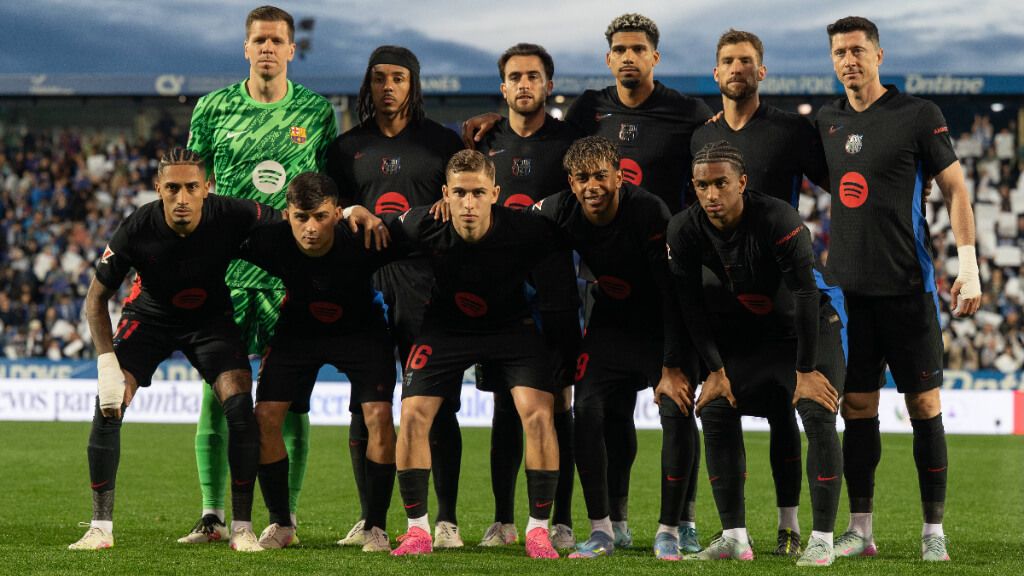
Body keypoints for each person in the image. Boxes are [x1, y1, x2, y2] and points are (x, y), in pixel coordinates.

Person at [815, 16, 981, 562]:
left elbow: (955, 188)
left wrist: (968, 265)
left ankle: (933, 532)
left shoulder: (916, 115)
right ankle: (860, 530)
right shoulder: (827, 122)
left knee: (924, 405)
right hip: (849, 295)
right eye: (839, 52)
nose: (849, 60)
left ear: (879, 55)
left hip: (908, 289)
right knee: (857, 407)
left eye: (858, 50)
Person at [182, 4, 338, 545]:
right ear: (245, 48)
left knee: (292, 400)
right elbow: (191, 190)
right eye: (259, 40)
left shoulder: (317, 112)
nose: (268, 48)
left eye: (277, 40)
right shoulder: (213, 108)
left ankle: (284, 517)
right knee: (215, 395)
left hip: (289, 281)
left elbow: (326, 197)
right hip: (225, 275)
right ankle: (210, 514)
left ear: (292, 49)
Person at [69, 148, 277, 552]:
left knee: (238, 407)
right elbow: (96, 299)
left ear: (207, 188)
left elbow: (290, 222)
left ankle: (242, 527)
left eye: (191, 188)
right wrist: (106, 360)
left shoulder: (231, 213)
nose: (182, 198)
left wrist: (345, 213)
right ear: (158, 189)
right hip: (150, 317)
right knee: (109, 402)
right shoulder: (136, 227)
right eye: (172, 188)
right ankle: (100, 527)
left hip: (210, 320)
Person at [668, 141, 847, 566]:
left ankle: (821, 539)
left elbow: (805, 293)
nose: (711, 195)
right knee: (714, 406)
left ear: (742, 183)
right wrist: (715, 369)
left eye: (720, 184)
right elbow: (688, 305)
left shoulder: (778, 218)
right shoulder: (684, 229)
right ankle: (734, 537)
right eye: (701, 186)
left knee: (816, 408)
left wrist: (805, 371)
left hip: (809, 329)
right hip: (755, 335)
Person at [385, 150, 567, 559]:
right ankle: (417, 531)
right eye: (461, 193)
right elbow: (372, 241)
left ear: (496, 194)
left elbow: (574, 236)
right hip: (446, 327)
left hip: (511, 328)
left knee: (538, 413)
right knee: (412, 413)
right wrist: (354, 214)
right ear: (445, 194)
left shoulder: (526, 229)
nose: (469, 203)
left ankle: (538, 531)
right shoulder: (421, 224)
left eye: (479, 193)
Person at [690, 29, 830, 557]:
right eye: (727, 60)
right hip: (727, 301)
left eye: (746, 61)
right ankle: (729, 531)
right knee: (723, 406)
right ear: (715, 71)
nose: (736, 68)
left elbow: (841, 179)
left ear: (761, 71)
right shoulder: (700, 138)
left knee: (782, 412)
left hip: (782, 291)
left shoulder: (791, 130)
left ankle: (789, 525)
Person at [325, 45, 467, 549]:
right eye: (380, 78)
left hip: (425, 281)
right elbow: (328, 205)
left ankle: (445, 520)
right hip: (363, 281)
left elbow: (463, 195)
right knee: (366, 403)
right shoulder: (345, 148)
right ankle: (371, 520)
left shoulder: (440, 143)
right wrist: (347, 212)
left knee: (434, 404)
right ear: (368, 84)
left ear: (414, 84)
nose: (389, 86)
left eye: (399, 78)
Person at [532, 136, 698, 561]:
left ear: (619, 177)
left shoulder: (648, 210)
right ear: (571, 183)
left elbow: (670, 292)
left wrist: (672, 365)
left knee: (675, 407)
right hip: (608, 323)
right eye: (583, 178)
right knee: (587, 410)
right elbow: (514, 226)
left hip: (659, 323)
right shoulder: (558, 210)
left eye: (601, 176)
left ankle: (672, 530)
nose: (592, 186)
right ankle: (604, 530)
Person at [233, 173, 394, 551]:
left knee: (379, 418)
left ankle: (376, 526)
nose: (310, 228)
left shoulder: (364, 238)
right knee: (266, 418)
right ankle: (281, 523)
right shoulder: (270, 241)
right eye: (301, 217)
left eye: (321, 217)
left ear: (338, 214)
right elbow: (217, 232)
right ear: (287, 214)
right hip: (298, 332)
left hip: (362, 333)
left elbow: (417, 235)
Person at [472, 42, 582, 551]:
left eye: (533, 76)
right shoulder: (483, 141)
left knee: (560, 404)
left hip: (556, 293)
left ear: (548, 85)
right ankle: (502, 520)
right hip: (501, 296)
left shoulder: (570, 142)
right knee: (503, 408)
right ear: (502, 87)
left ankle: (560, 519)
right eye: (514, 76)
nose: (523, 85)